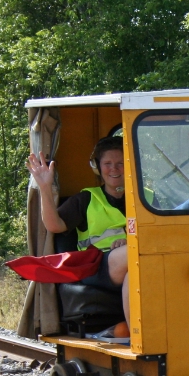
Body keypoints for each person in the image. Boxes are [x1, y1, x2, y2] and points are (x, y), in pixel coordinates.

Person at [26, 137, 131, 339]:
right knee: (133, 253)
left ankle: (134, 332)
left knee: (133, 270)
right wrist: (45, 187)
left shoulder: (148, 197)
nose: (114, 169)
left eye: (120, 163)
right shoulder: (86, 199)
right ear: (97, 168)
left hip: (131, 264)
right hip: (96, 266)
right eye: (108, 164)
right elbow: (54, 225)